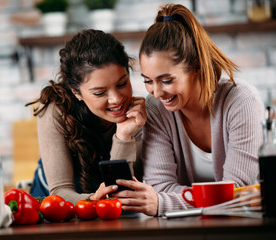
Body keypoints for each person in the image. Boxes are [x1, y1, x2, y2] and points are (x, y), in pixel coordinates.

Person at [112, 4, 264, 216]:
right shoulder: (156, 108)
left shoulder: (241, 102)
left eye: (166, 80)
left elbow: (237, 193)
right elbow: (160, 187)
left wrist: (165, 203)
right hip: (186, 228)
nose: (156, 92)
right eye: (148, 81)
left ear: (196, 67)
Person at [25, 29, 146, 204]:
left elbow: (123, 192)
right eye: (99, 93)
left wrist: (124, 136)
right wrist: (96, 199)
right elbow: (60, 191)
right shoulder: (55, 109)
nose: (117, 99)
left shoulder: (137, 115)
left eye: (122, 83)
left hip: (110, 212)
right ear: (77, 92)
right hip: (57, 210)